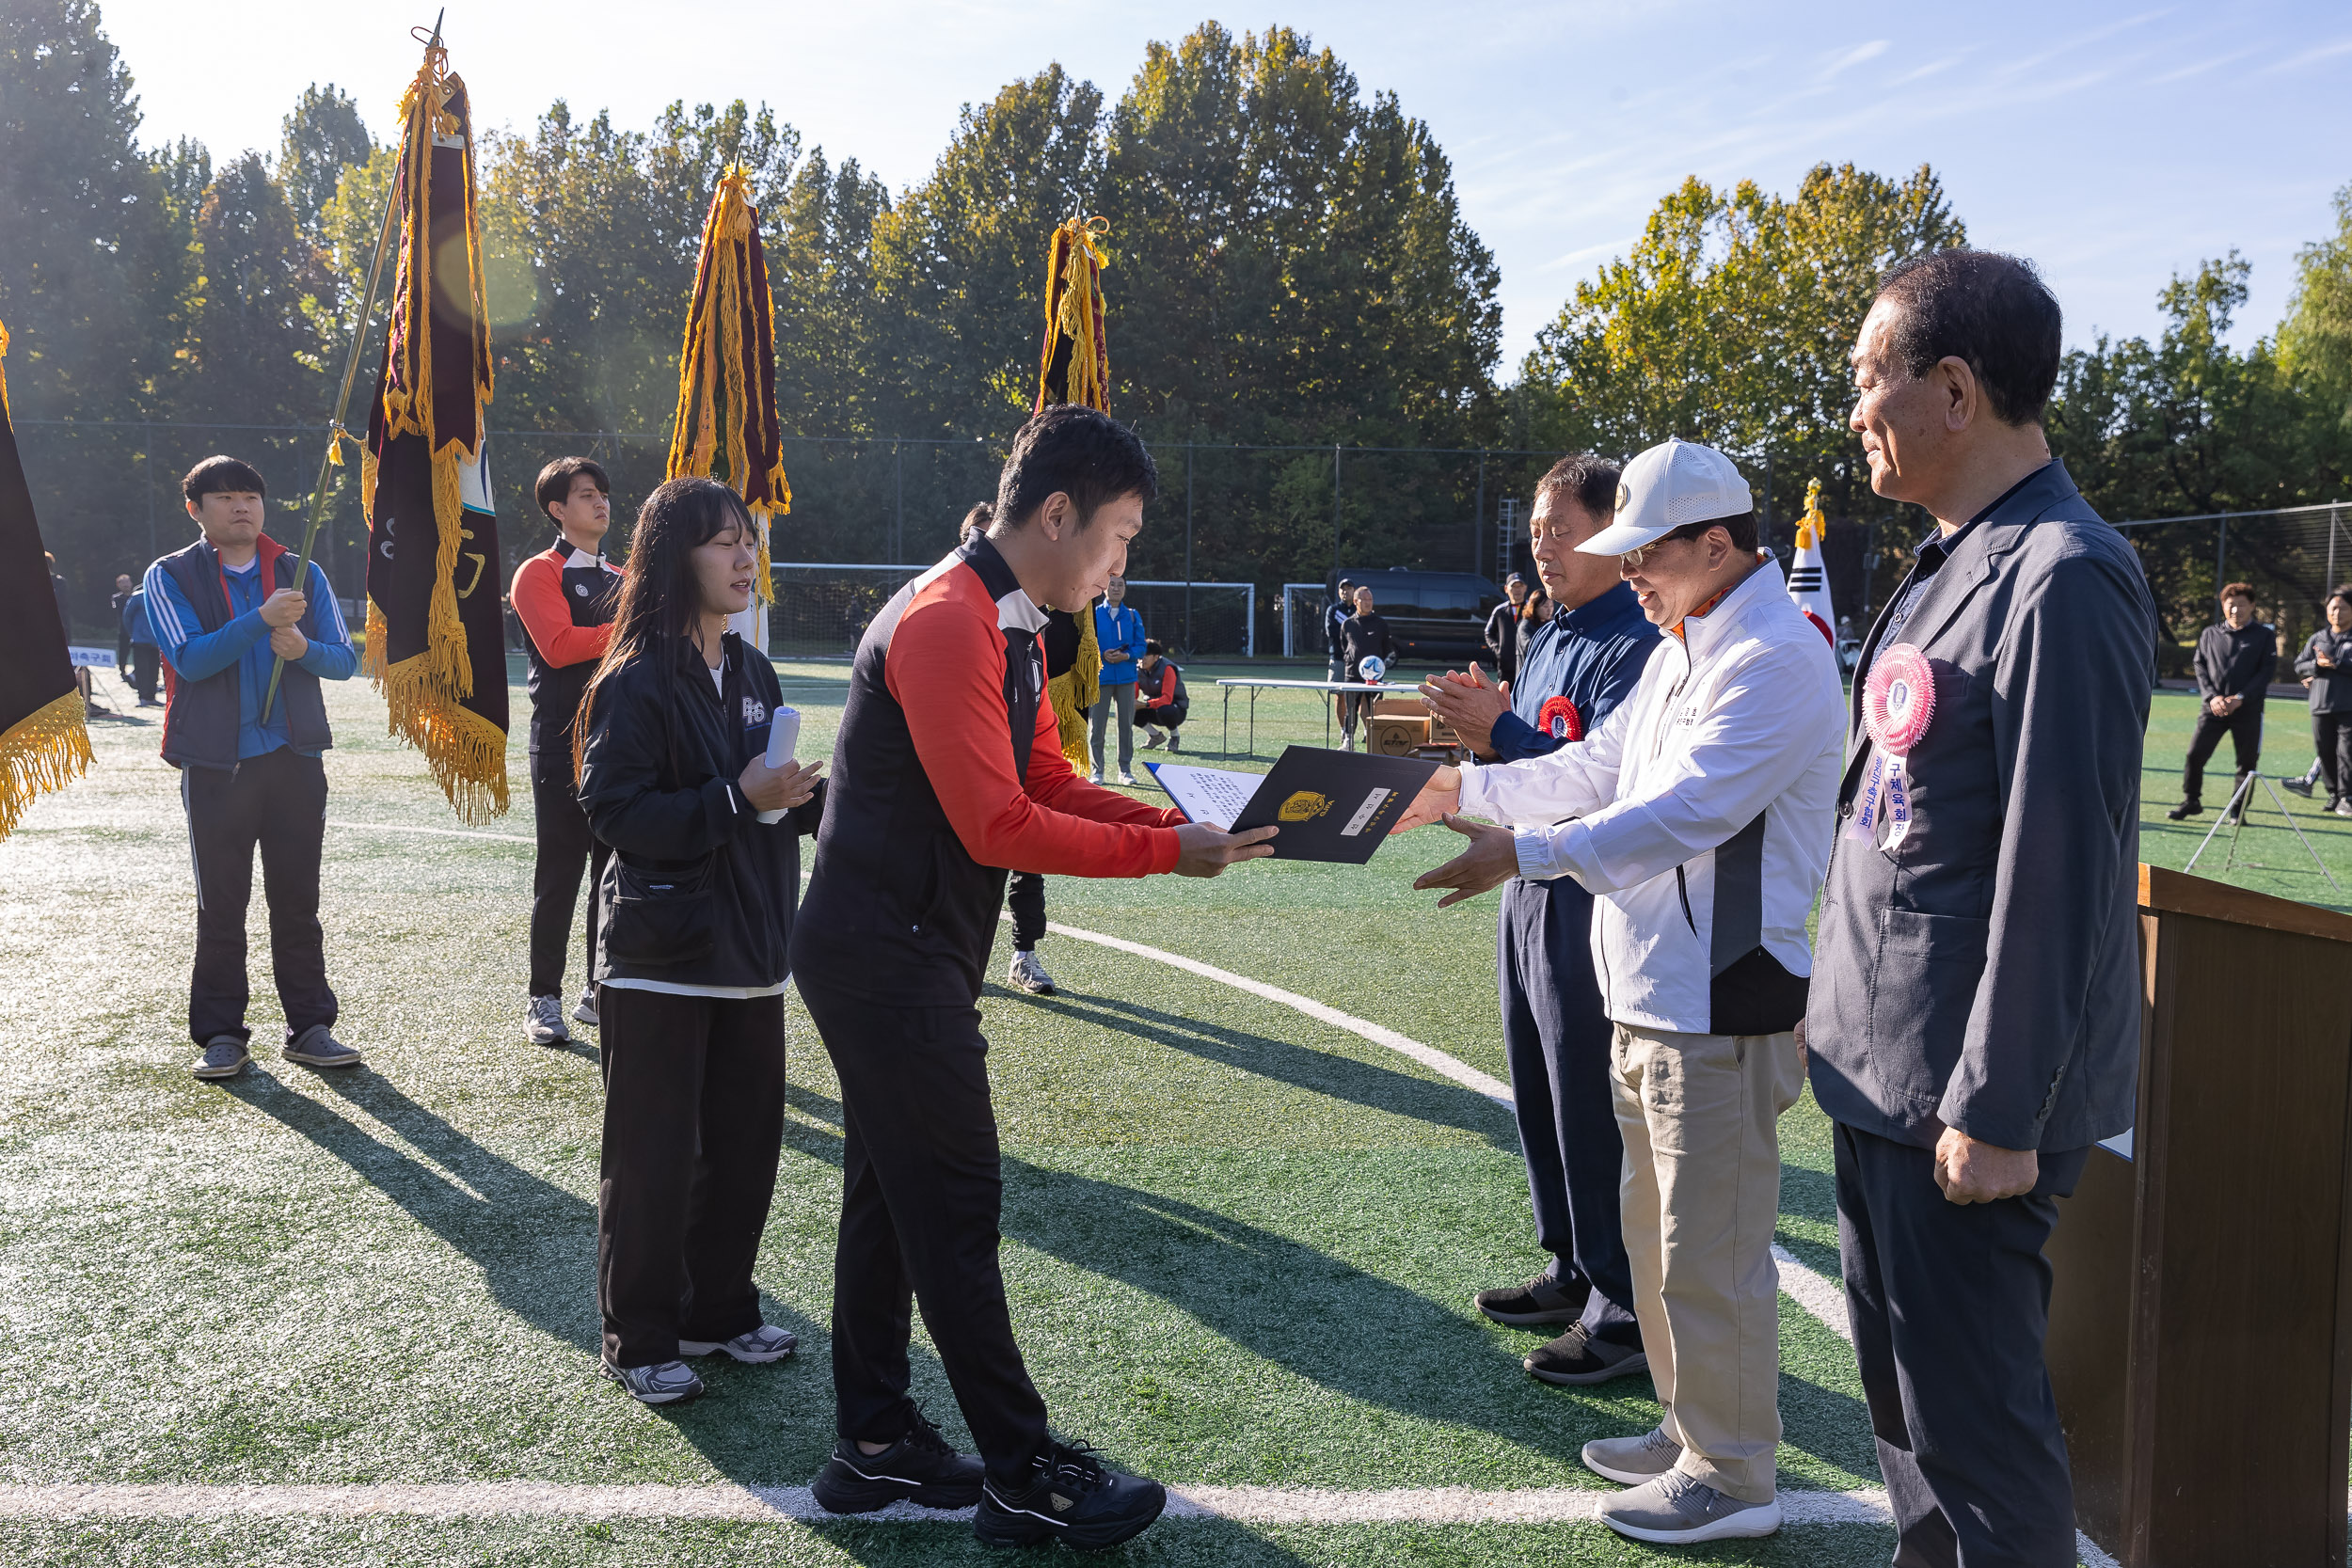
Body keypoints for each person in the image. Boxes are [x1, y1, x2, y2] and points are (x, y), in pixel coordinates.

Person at [790, 404, 1275, 1550]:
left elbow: (1047, 778)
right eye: (1118, 535)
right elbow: (999, 821)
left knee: (891, 1199)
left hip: (903, 953)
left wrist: (1179, 817)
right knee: (951, 1204)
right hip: (885, 959)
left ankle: (872, 1444)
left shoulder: (1005, 620)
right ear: (1055, 513)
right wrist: (1169, 848)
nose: (1120, 562)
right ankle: (1022, 1469)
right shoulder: (949, 618)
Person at [1396, 436, 1845, 1545]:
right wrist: (1463, 783)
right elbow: (1600, 768)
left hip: (1721, 1000)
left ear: (1713, 542)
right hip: (1649, 992)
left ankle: (1734, 1474)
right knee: (1652, 1242)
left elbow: (1683, 811)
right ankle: (1692, 1432)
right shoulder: (1683, 645)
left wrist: (1522, 850)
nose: (1628, 571)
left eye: (1642, 552)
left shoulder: (1775, 656)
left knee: (1710, 1252)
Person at [1808, 250, 2157, 1568]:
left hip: (1960, 1096)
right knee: (1913, 1429)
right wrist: (1832, 1014)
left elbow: (2059, 870)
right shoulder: (1956, 558)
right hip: (1882, 1070)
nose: (1854, 411)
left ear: (1953, 388)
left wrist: (1997, 1104)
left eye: (1866, 378)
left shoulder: (2063, 572)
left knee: (1984, 1441)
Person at [573, 476, 824, 1406]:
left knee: (745, 1149)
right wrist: (737, 798)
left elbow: (763, 803)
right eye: (723, 542)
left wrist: (808, 799)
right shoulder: (634, 676)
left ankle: (716, 1311)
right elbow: (613, 808)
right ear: (674, 556)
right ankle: (636, 1335)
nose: (742, 558)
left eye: (748, 542)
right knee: (652, 1158)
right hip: (660, 958)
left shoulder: (754, 672)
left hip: (753, 955)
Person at [1418, 454, 1661, 1388]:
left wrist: (1499, 733)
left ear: (1614, 529)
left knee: (1589, 1099)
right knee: (1538, 1084)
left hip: (1588, 894)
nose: (1545, 547)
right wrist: (1483, 756)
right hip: (1524, 880)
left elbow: (1602, 775)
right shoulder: (1549, 632)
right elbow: (1535, 767)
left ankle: (1623, 1301)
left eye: (1564, 529)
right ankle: (1570, 1262)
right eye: (1535, 532)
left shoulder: (1637, 641)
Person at [143, 455, 362, 1081]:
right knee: (222, 907)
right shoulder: (170, 575)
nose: (241, 505)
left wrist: (303, 649)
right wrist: (261, 620)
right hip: (216, 766)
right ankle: (220, 1034)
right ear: (196, 509)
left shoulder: (301, 571)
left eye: (250, 495)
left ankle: (311, 1026)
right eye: (224, 496)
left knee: (298, 901)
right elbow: (189, 658)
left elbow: (344, 661)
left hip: (294, 761)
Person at [509, 456, 624, 1046]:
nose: (600, 502)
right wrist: (640, 627)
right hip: (560, 743)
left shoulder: (625, 577)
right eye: (585, 494)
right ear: (557, 509)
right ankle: (543, 1000)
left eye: (603, 493)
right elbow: (558, 647)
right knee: (560, 874)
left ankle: (597, 990)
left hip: (621, 743)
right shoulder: (538, 572)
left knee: (613, 873)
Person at [2168, 581, 2275, 823]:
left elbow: (2265, 672)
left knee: (2246, 762)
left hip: (2247, 710)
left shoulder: (2264, 636)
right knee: (2195, 755)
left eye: (2241, 605)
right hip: (2212, 709)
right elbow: (2200, 666)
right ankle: (2191, 800)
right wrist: (2212, 697)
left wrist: (2240, 698)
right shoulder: (2209, 634)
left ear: (2252, 606)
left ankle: (2238, 810)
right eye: (2230, 605)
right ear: (2223, 606)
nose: (2236, 610)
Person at [2293, 584, 2352, 815]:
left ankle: (2347, 796)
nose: (2337, 613)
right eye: (2333, 608)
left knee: (2346, 752)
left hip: (2348, 706)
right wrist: (2317, 665)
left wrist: (2336, 664)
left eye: (2343, 608)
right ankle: (2334, 794)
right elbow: (2299, 665)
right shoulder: (2318, 638)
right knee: (2325, 751)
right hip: (2320, 705)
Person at [1089, 574, 1147, 784]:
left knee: (1125, 726)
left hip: (1125, 678)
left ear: (1125, 589)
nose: (1115, 588)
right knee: (1097, 726)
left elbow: (1141, 646)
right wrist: (1102, 654)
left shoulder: (1132, 616)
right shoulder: (1094, 614)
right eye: (1112, 584)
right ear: (1104, 587)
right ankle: (1097, 771)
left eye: (1120, 585)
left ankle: (1125, 771)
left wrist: (1126, 655)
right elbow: (1087, 643)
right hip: (1101, 678)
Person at [1336, 585, 1397, 750]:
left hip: (1375, 678)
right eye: (1365, 599)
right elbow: (1345, 647)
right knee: (1351, 709)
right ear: (1356, 601)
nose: (1369, 603)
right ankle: (1348, 741)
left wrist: (1381, 667)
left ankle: (1376, 742)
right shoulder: (1347, 624)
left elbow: (1388, 650)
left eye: (1371, 599)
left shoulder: (1380, 624)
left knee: (1375, 711)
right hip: (1352, 675)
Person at [1136, 640, 1188, 751]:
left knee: (1165, 709)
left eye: (1146, 656)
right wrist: (1131, 702)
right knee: (1126, 709)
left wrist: (1145, 704)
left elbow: (1167, 699)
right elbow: (1133, 693)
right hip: (1153, 707)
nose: (1142, 659)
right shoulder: (1137, 670)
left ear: (1156, 657)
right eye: (1140, 655)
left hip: (1175, 708)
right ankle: (1155, 736)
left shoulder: (1167, 668)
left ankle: (1174, 737)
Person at [121, 578, 161, 706]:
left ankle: (151, 696)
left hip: (156, 640)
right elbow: (127, 617)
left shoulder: (160, 596)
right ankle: (143, 697)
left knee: (154, 669)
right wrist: (133, 634)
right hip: (140, 640)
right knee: (142, 669)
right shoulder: (137, 597)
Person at [1484, 573, 1530, 682]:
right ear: (1506, 589)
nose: (1517, 590)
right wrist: (1498, 650)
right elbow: (1488, 633)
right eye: (1513, 586)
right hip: (1505, 666)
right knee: (1504, 696)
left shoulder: (1532, 609)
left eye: (1520, 586)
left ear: (1525, 588)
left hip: (1526, 664)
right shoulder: (1499, 611)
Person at [1325, 576, 1356, 685]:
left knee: (1356, 694)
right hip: (1337, 657)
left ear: (1354, 591)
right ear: (1339, 592)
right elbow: (1331, 632)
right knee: (1337, 694)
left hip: (1356, 659)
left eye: (1348, 588)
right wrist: (1351, 635)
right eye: (1343, 589)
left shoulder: (1359, 610)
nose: (1345, 591)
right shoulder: (1333, 610)